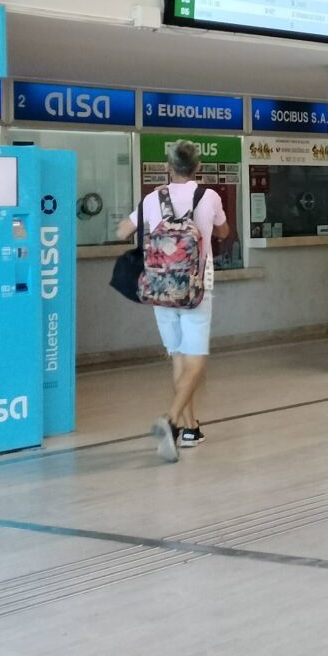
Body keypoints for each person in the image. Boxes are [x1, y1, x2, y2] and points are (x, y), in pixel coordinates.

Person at [116, 140, 229, 461]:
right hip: (196, 287)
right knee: (197, 361)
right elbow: (223, 232)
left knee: (179, 355)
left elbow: (124, 229)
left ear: (168, 168)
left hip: (160, 287)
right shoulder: (209, 197)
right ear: (198, 169)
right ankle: (171, 420)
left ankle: (191, 427)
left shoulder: (153, 198)